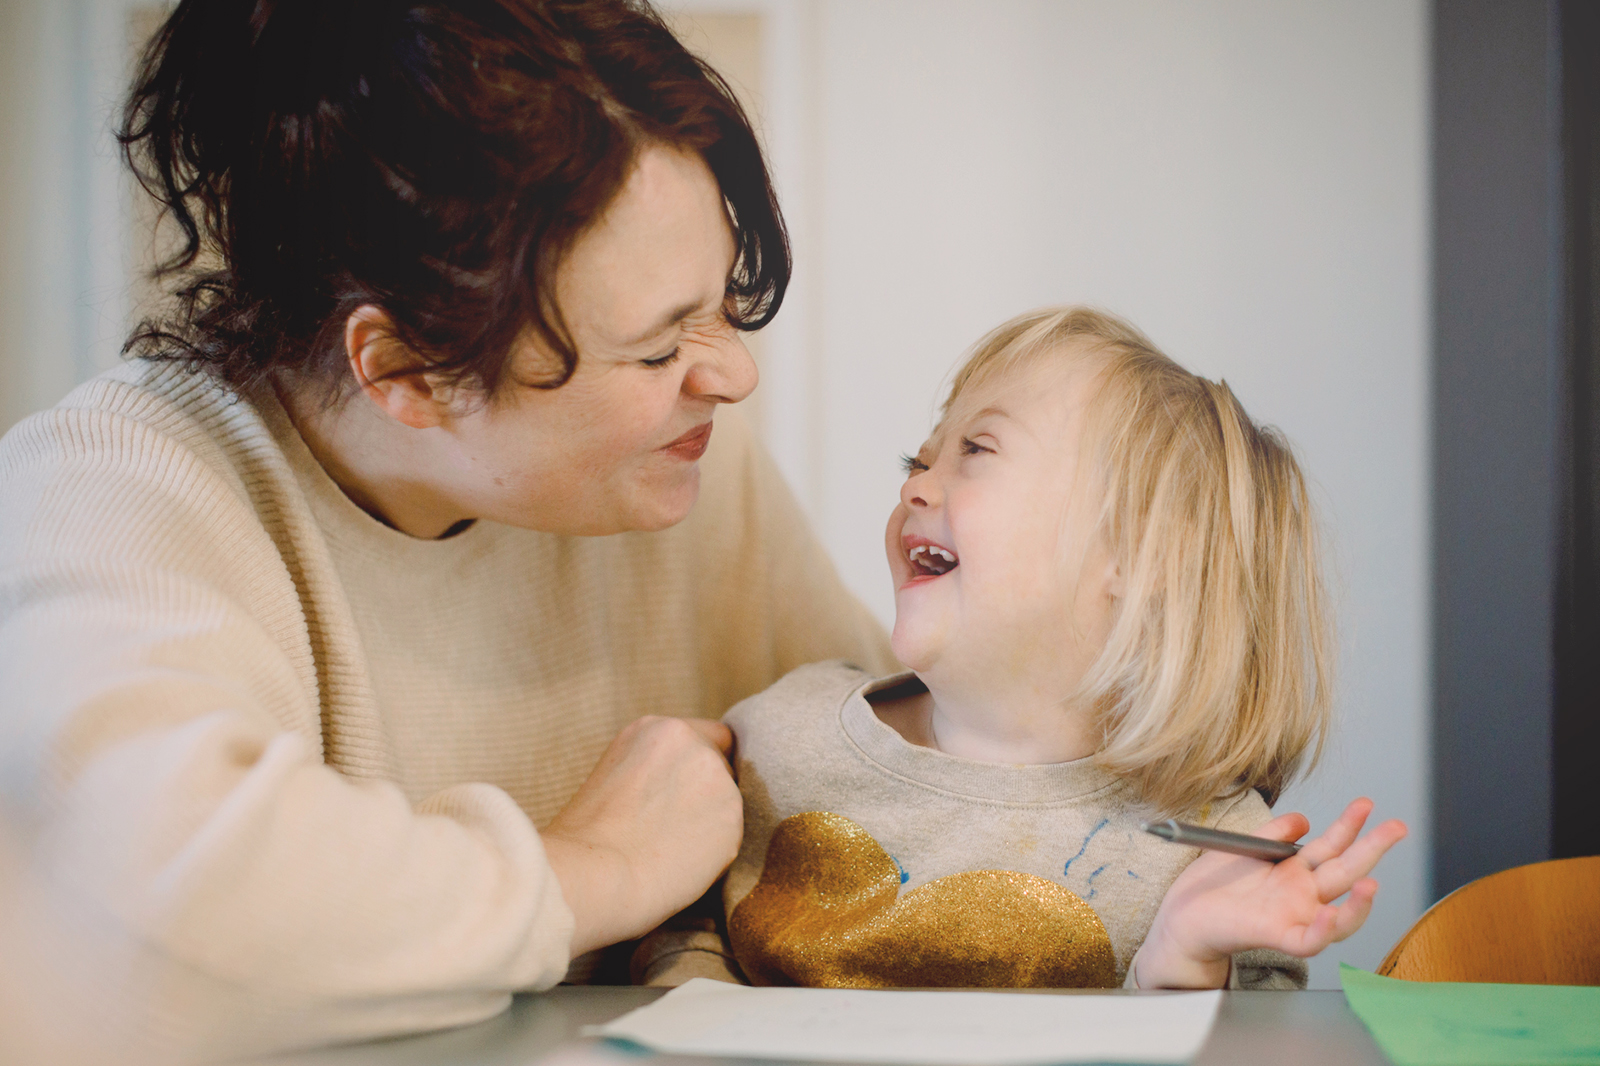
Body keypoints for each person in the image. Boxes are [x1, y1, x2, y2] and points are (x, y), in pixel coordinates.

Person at [0, 0, 893, 1057]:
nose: (730, 374)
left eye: (720, 305)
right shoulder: (111, 491)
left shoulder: (683, 472)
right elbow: (153, 926)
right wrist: (595, 867)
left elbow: (920, 790)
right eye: (657, 351)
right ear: (405, 370)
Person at [660, 307, 1407, 989]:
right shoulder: (778, 735)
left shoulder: (1216, 854)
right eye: (916, 462)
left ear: (1144, 555)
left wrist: (1177, 963)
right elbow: (682, 936)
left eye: (975, 450)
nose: (917, 488)